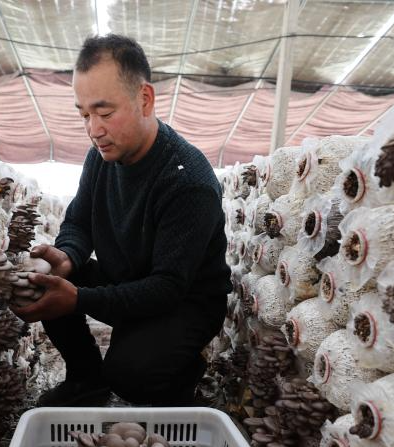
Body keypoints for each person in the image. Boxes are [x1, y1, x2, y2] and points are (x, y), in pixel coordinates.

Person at [13, 34, 231, 407]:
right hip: (129, 277)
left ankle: (182, 371)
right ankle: (85, 379)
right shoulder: (101, 157)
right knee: (48, 282)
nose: (93, 129)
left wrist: (78, 299)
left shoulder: (188, 180)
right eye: (84, 114)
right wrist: (67, 257)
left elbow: (166, 288)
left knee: (131, 374)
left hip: (184, 302)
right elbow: (78, 222)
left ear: (144, 99)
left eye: (105, 112)